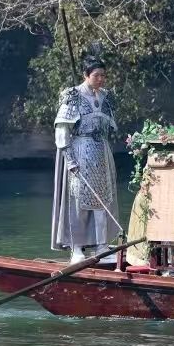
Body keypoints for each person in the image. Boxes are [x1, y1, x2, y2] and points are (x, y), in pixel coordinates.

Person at [51, 56, 120, 263]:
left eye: (103, 75)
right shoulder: (73, 96)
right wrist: (70, 160)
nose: (101, 79)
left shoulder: (106, 96)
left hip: (101, 152)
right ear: (86, 75)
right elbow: (62, 130)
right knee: (79, 202)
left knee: (102, 201)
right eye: (96, 75)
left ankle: (101, 246)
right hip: (81, 150)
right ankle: (76, 247)